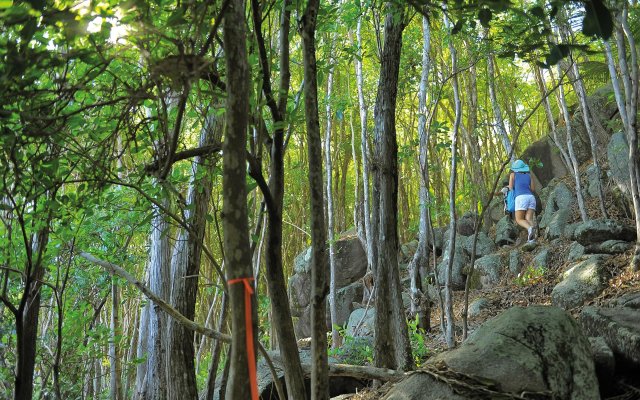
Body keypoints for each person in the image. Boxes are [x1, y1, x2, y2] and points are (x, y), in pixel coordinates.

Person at [509, 159, 536, 243]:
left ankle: (529, 228)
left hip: (521, 198)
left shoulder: (513, 175)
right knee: (529, 218)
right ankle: (532, 240)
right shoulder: (529, 175)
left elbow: (510, 188)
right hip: (531, 197)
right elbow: (532, 189)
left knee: (519, 219)